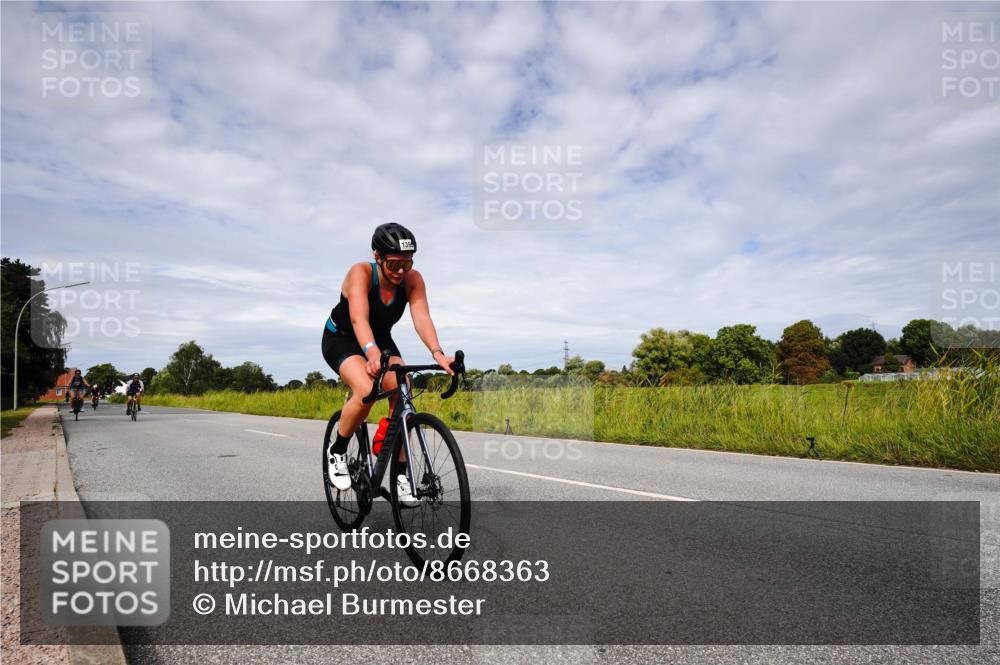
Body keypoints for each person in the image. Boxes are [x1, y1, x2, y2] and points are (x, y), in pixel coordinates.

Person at [322, 223, 454, 506]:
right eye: (393, 264)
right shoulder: (360, 273)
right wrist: (370, 353)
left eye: (406, 264)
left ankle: (398, 470)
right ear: (377, 256)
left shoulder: (412, 279)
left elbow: (422, 318)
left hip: (380, 340)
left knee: (403, 387)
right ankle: (338, 449)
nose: (400, 271)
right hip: (343, 338)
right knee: (367, 387)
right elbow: (359, 319)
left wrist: (437, 353)